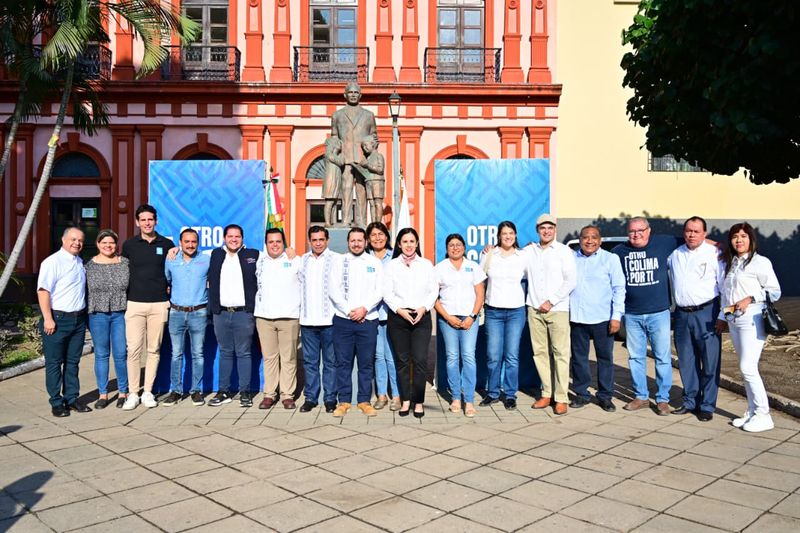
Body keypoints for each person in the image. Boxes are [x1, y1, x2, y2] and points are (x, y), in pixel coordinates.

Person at [612, 216, 681, 416]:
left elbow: (693, 240)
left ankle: (662, 399)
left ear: (649, 230)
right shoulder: (618, 252)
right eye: (632, 231)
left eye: (640, 230)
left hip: (659, 313)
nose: (636, 234)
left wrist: (720, 246)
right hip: (632, 315)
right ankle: (641, 396)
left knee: (662, 357)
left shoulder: (664, 242)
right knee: (635, 357)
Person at [716, 222, 781, 432]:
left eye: (743, 236)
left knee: (748, 367)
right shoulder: (732, 263)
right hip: (734, 320)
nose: (739, 240)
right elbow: (726, 297)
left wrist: (751, 297)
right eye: (735, 237)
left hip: (753, 319)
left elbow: (775, 291)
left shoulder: (761, 262)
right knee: (745, 369)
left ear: (751, 239)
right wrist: (722, 317)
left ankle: (764, 414)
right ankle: (752, 411)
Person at [121, 204, 175, 410]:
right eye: (143, 220)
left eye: (150, 219)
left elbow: (174, 271)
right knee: (133, 350)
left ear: (156, 221)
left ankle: (148, 392)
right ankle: (133, 393)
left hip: (159, 304)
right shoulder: (129, 245)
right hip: (134, 304)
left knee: (154, 350)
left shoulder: (167, 244)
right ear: (137, 222)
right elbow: (122, 272)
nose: (147, 223)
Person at [668, 216, 722, 421]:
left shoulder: (715, 254)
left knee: (710, 361)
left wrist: (722, 315)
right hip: (682, 314)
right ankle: (690, 401)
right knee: (686, 361)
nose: (691, 235)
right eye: (688, 231)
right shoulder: (675, 254)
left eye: (696, 231)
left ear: (705, 234)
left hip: (707, 312)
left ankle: (707, 405)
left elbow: (723, 285)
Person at [569, 225, 625, 412]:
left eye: (594, 237)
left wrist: (616, 317)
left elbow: (619, 288)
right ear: (580, 239)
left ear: (600, 240)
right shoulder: (571, 258)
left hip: (603, 318)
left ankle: (605, 396)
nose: (589, 241)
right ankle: (582, 394)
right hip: (577, 317)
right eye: (586, 237)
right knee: (579, 359)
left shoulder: (610, 259)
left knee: (605, 358)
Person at [384, 228, 438, 418]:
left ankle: (419, 401)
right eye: (405, 241)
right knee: (402, 361)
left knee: (420, 360)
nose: (408, 245)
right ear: (399, 244)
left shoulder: (426, 264)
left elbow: (433, 290)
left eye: (412, 241)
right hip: (399, 318)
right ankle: (406, 400)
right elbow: (387, 292)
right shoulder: (391, 266)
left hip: (421, 317)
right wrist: (400, 310)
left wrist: (424, 307)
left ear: (417, 244)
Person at [328, 227, 383, 417]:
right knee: (343, 362)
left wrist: (364, 309)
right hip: (344, 320)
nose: (357, 243)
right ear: (348, 242)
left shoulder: (374, 263)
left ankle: (364, 400)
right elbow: (333, 289)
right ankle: (343, 401)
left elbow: (379, 290)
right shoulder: (339, 261)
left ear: (366, 242)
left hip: (367, 320)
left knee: (366, 363)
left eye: (360, 240)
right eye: (353, 240)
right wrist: (348, 311)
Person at [37, 227, 91, 417]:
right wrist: (48, 318)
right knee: (54, 363)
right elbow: (43, 291)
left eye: (80, 240)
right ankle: (56, 402)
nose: (77, 243)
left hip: (77, 319)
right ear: (63, 239)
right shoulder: (52, 262)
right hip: (57, 319)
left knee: (73, 362)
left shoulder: (79, 262)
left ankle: (72, 398)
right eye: (73, 239)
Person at [526, 214, 576, 415]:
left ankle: (561, 397)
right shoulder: (530, 251)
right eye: (542, 228)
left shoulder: (564, 252)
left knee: (561, 354)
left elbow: (571, 280)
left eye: (550, 228)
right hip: (534, 309)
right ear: (537, 230)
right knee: (540, 354)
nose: (546, 231)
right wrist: (490, 250)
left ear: (555, 229)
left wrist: (551, 301)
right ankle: (546, 393)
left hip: (557, 310)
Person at [434, 233, 486, 418]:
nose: (455, 248)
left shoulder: (473, 267)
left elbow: (480, 294)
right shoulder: (439, 268)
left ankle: (469, 400)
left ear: (463, 247)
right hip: (447, 318)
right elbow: (434, 298)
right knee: (452, 357)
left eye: (458, 245)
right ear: (447, 249)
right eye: (451, 245)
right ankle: (456, 397)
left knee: (469, 356)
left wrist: (472, 316)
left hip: (469, 318)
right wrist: (448, 317)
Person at [208, 224, 259, 408]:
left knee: (244, 352)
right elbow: (191, 255)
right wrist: (174, 250)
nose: (234, 239)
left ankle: (245, 392)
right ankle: (224, 391)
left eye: (237, 236)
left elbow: (274, 256)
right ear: (224, 238)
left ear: (242, 238)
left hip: (243, 314)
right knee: (225, 352)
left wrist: (290, 252)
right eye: (230, 236)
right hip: (221, 313)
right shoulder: (215, 255)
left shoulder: (253, 255)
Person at [480, 221, 528, 409]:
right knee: (493, 355)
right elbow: (478, 279)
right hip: (494, 312)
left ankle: (510, 394)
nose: (507, 236)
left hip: (516, 311)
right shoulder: (490, 254)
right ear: (499, 236)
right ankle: (492, 392)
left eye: (511, 233)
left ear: (515, 235)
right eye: (504, 233)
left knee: (512, 355)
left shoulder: (523, 256)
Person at [254, 228, 302, 410]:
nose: (275, 245)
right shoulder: (259, 260)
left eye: (278, 241)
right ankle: (269, 394)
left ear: (284, 243)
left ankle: (287, 394)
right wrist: (174, 249)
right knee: (270, 357)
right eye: (271, 242)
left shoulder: (295, 260)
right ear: (266, 244)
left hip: (289, 317)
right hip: (264, 317)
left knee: (288, 358)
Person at [163, 228, 210, 407]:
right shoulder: (171, 259)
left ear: (198, 243)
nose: (190, 245)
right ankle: (175, 390)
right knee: (176, 354)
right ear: (180, 243)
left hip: (198, 312)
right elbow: (167, 280)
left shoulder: (206, 260)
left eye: (194, 242)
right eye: (187, 242)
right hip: (176, 312)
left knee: (198, 354)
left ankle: (196, 391)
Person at [84, 229, 130, 410]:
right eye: (104, 243)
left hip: (120, 314)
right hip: (97, 314)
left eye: (111, 242)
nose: (108, 246)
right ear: (97, 244)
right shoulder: (89, 266)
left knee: (120, 354)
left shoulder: (125, 263)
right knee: (101, 355)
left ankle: (123, 392)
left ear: (116, 244)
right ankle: (103, 394)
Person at [299, 226, 339, 413]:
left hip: (330, 321)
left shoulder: (336, 260)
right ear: (309, 241)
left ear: (327, 240)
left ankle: (330, 398)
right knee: (310, 362)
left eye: (321, 239)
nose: (318, 243)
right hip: (307, 321)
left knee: (330, 362)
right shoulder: (302, 261)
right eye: (314, 240)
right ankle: (311, 398)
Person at [330, 82, 378, 227]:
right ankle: (345, 220)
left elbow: (374, 136)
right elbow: (334, 137)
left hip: (362, 159)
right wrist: (335, 155)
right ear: (345, 95)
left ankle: (361, 221)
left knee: (361, 192)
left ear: (360, 95)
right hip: (345, 158)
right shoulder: (337, 115)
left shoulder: (369, 115)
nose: (353, 95)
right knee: (345, 190)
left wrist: (370, 152)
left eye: (356, 92)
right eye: (350, 92)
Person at [366, 221, 401, 411]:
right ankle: (381, 394)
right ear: (368, 239)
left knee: (391, 356)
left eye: (381, 234)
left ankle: (396, 395)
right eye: (373, 235)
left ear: (387, 237)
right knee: (378, 356)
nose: (377, 238)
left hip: (392, 314)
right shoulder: (364, 258)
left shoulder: (394, 257)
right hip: (371, 315)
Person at [359, 137, 385, 224]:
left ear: (373, 144)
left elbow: (380, 170)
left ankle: (378, 223)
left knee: (377, 202)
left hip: (377, 181)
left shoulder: (379, 156)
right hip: (368, 181)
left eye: (366, 145)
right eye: (363, 147)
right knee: (371, 203)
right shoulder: (368, 158)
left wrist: (367, 165)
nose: (365, 148)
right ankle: (374, 223)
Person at [323, 137, 345, 227]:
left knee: (334, 202)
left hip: (336, 178)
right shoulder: (329, 155)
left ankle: (331, 221)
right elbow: (340, 162)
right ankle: (327, 222)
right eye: (338, 143)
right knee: (329, 201)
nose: (340, 145)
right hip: (331, 180)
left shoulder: (335, 155)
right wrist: (340, 153)